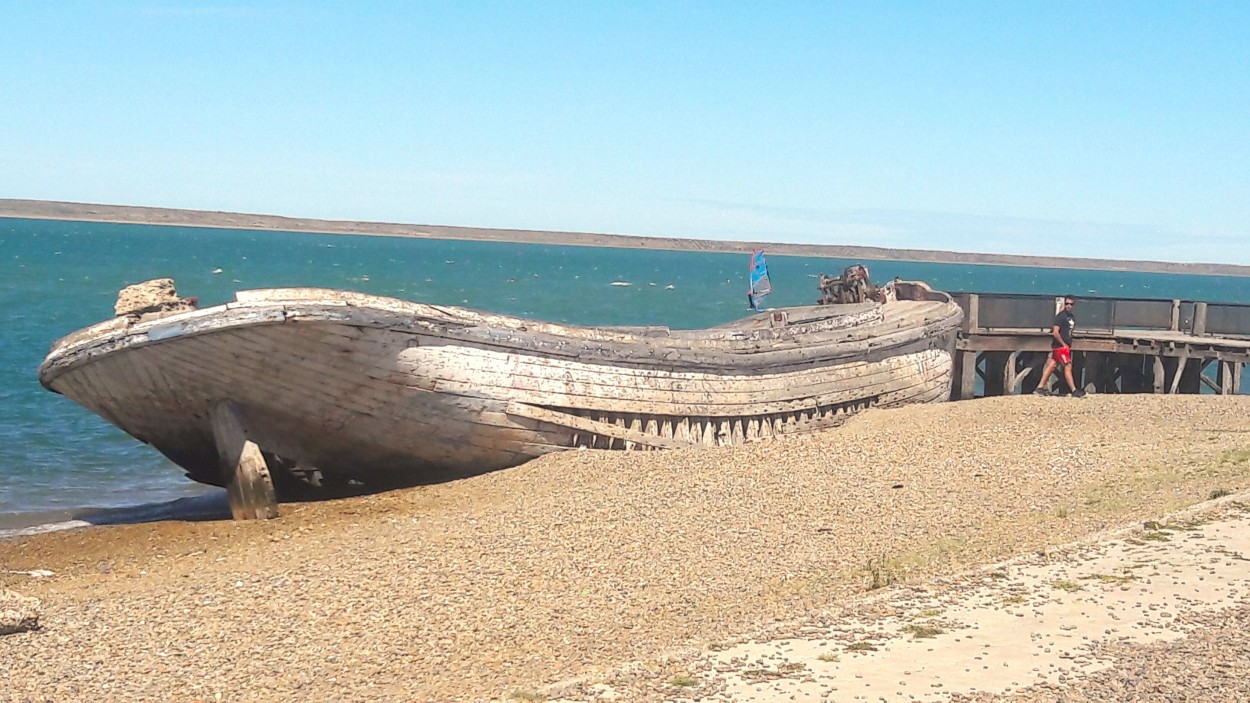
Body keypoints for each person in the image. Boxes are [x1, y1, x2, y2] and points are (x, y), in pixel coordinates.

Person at [1034, 295, 1086, 397]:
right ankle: (1074, 390)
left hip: (1066, 346)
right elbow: (1055, 332)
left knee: (1052, 365)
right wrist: (1063, 344)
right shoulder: (1060, 317)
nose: (1069, 306)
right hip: (1060, 346)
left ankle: (1039, 387)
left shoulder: (1071, 317)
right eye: (1067, 304)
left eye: (1071, 304)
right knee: (1067, 366)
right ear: (1064, 304)